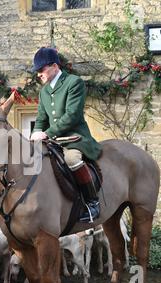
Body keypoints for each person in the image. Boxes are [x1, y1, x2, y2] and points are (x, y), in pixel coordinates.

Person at [30, 47, 102, 223]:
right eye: (37, 71)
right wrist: (34, 136)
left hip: (75, 139)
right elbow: (41, 119)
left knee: (71, 160)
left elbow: (72, 115)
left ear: (54, 66)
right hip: (54, 141)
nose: (39, 74)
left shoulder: (74, 82)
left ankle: (92, 203)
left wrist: (46, 134)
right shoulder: (44, 92)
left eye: (41, 69)